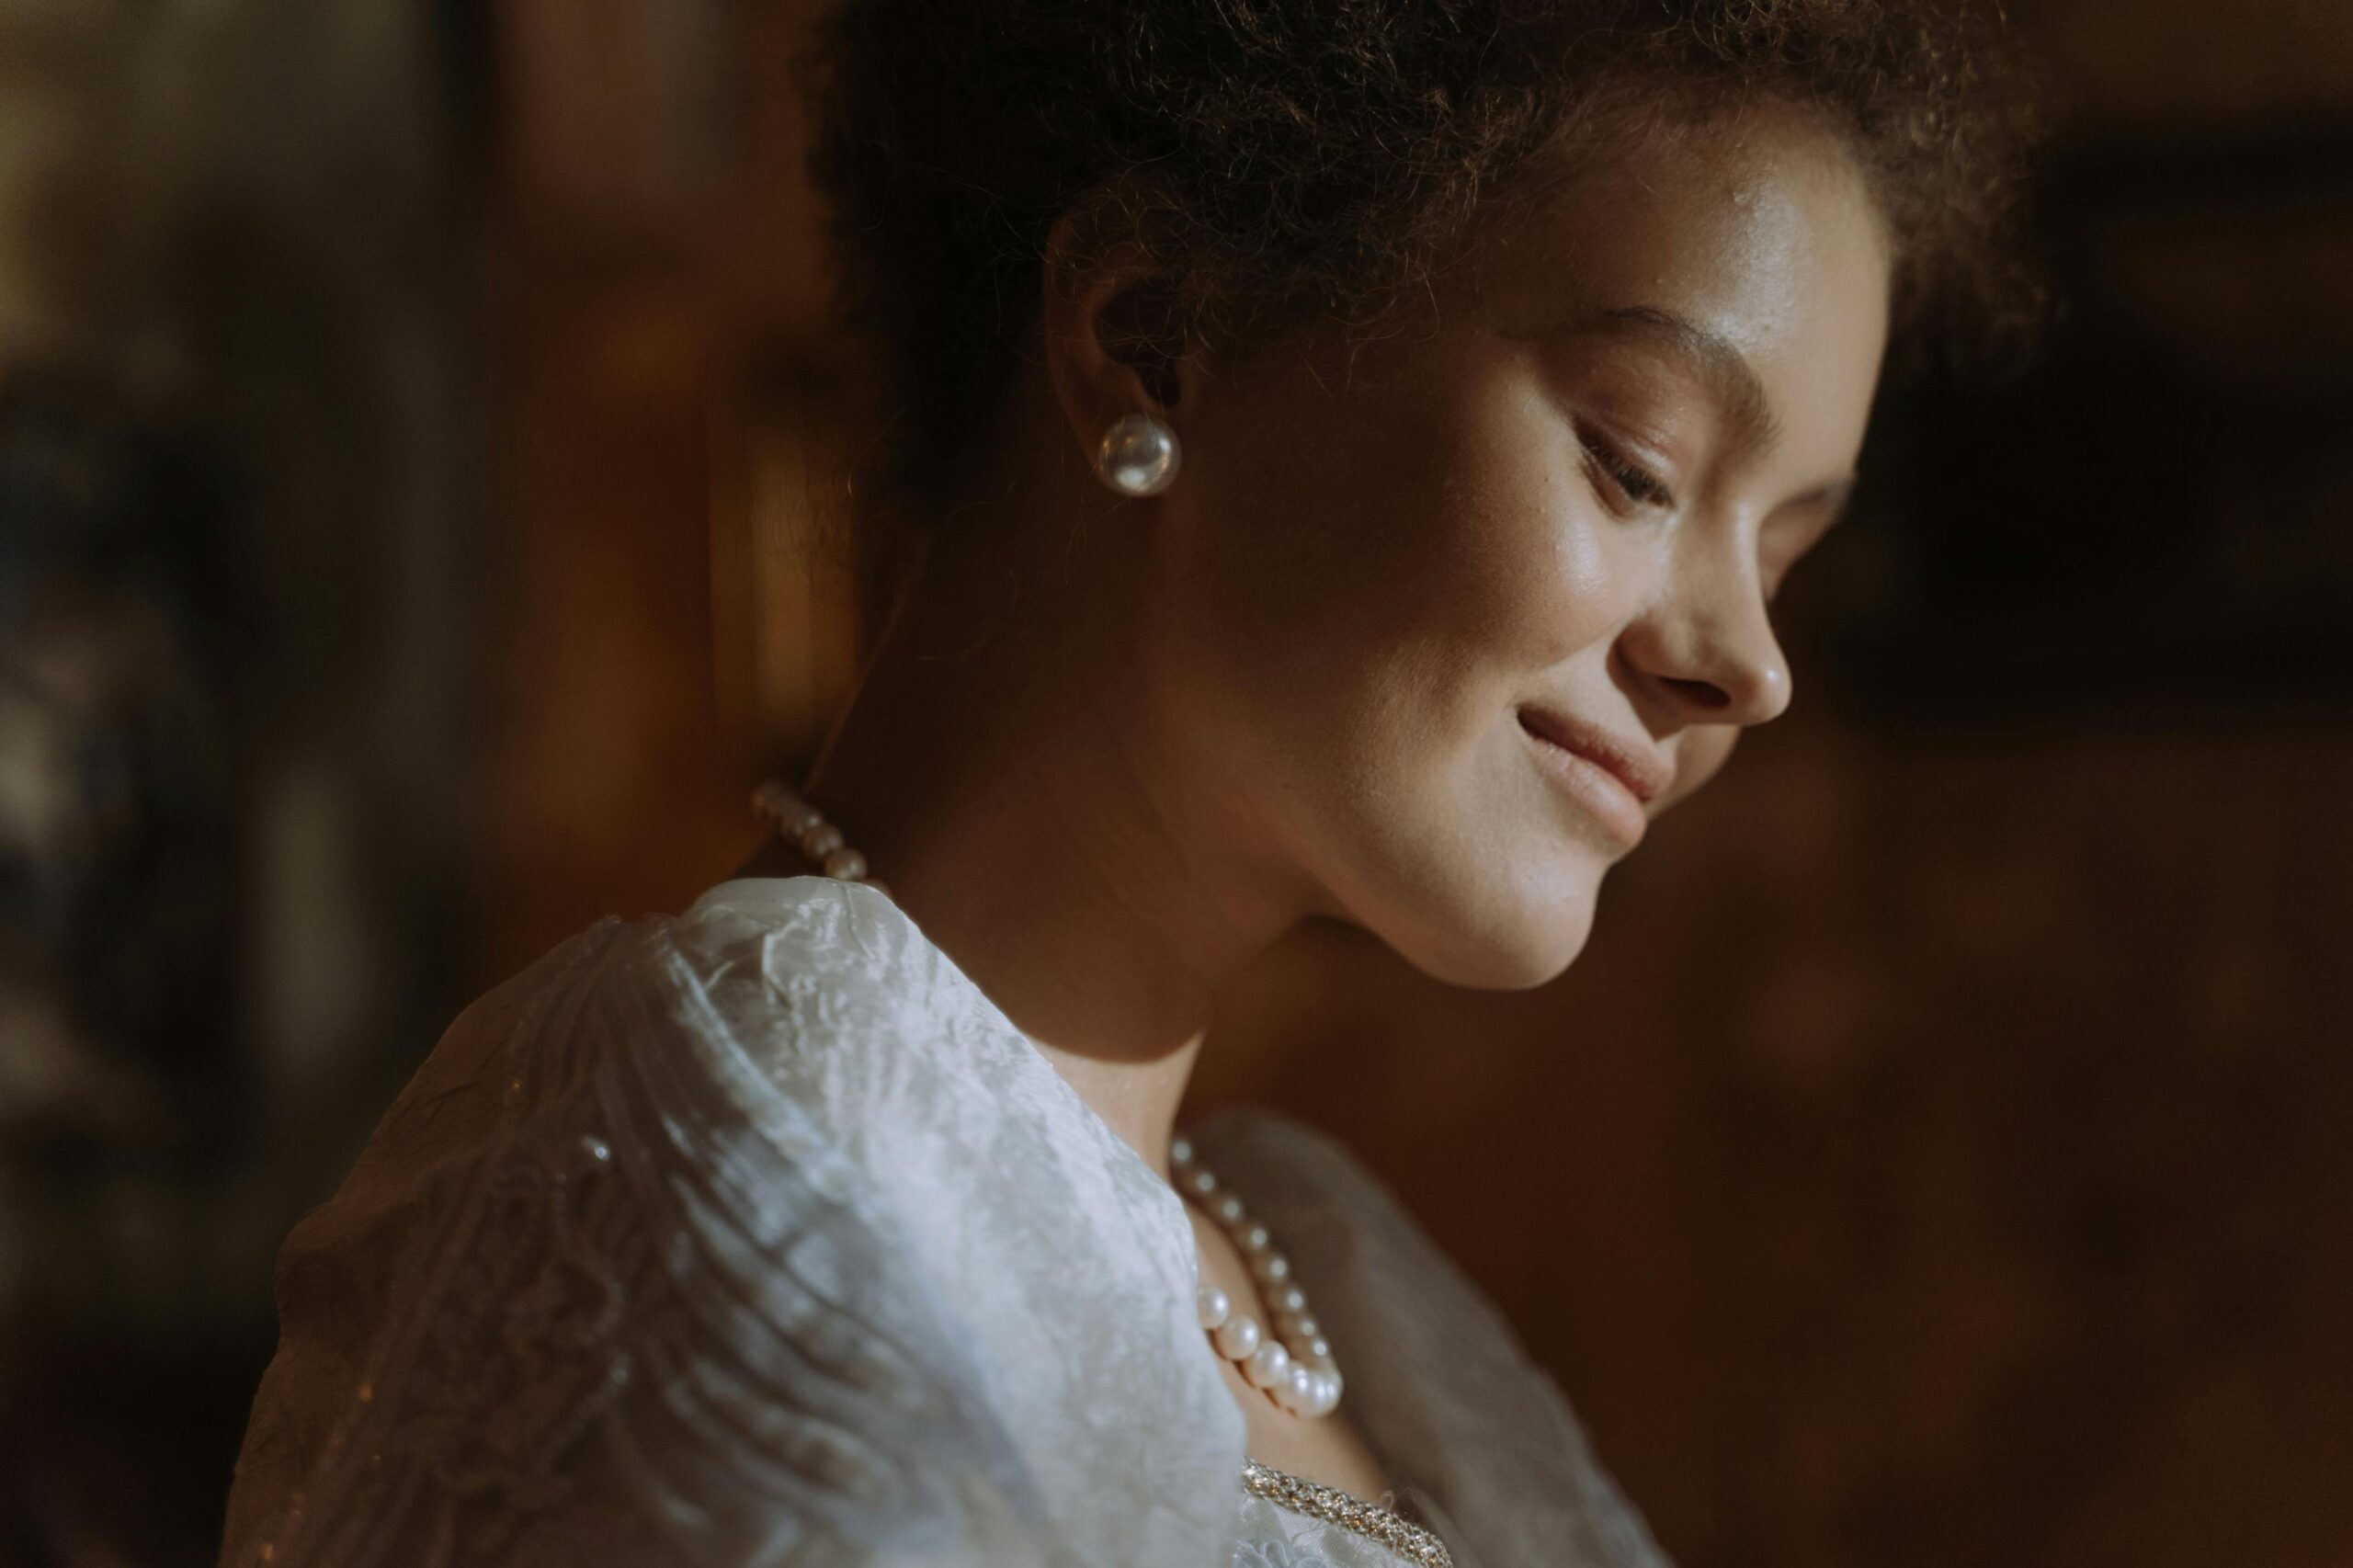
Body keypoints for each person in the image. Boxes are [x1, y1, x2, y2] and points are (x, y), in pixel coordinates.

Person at [217, 1, 2036, 1562]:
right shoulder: (720, 1174)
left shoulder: (1339, 1284)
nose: (1746, 659)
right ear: (1148, 330)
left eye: (1783, 550)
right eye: (1636, 464)